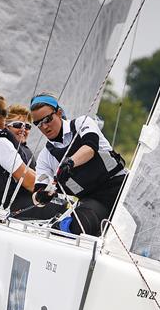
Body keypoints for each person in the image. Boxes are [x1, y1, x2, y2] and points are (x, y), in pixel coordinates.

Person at [29, 92, 126, 236]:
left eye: (48, 119)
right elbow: (38, 195)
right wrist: (41, 197)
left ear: (59, 113)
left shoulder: (83, 122)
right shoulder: (45, 156)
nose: (44, 127)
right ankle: (60, 226)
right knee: (82, 226)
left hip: (120, 188)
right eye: (38, 124)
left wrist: (70, 163)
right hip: (94, 200)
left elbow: (90, 148)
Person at [0, 92, 62, 228]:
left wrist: (53, 182)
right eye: (4, 111)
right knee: (66, 211)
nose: (6, 114)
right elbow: (27, 181)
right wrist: (60, 191)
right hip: (3, 211)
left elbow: (26, 172)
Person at [5, 104, 35, 170]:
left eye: (27, 126)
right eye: (18, 125)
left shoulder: (26, 150)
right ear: (6, 127)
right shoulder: (4, 148)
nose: (23, 129)